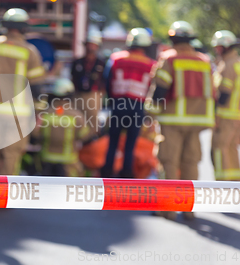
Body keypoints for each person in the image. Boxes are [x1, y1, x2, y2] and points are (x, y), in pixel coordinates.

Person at [149, 21, 215, 221]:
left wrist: (150, 114)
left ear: (173, 39)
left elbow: (160, 89)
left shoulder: (169, 58)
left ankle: (168, 209)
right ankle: (188, 208)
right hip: (197, 122)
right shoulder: (204, 60)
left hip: (172, 121)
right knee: (191, 162)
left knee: (169, 161)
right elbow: (214, 91)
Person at [0, 8, 46, 175]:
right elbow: (36, 87)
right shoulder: (30, 52)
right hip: (18, 116)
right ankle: (8, 198)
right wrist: (38, 113)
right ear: (24, 28)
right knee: (11, 157)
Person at [101, 28, 156, 178]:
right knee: (131, 143)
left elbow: (107, 80)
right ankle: (126, 174)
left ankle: (107, 172)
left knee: (113, 141)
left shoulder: (116, 59)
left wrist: (112, 100)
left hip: (118, 104)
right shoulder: (151, 64)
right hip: (137, 106)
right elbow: (153, 88)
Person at [211, 30, 240, 181]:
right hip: (238, 117)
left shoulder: (227, 65)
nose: (216, 50)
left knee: (219, 150)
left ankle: (222, 188)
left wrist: (216, 116)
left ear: (224, 47)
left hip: (225, 117)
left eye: (218, 47)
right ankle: (236, 187)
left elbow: (224, 94)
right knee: (232, 150)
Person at [34, 78, 90, 177]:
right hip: (68, 164)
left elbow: (35, 133)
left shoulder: (45, 114)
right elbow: (85, 136)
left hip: (46, 162)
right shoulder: (77, 115)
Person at [71, 31, 105, 131]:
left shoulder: (101, 63)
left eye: (94, 45)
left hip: (93, 95)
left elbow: (104, 81)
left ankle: (92, 143)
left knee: (92, 122)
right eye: (89, 44)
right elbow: (73, 78)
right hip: (78, 94)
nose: (91, 47)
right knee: (77, 120)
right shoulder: (78, 62)